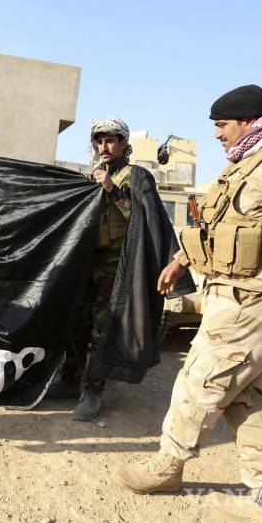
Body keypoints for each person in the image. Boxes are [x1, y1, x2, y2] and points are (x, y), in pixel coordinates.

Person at [117, 84, 262, 523]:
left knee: (198, 383)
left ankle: (169, 464)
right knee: (247, 399)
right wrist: (181, 260)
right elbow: (215, 226)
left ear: (246, 120)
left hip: (256, 302)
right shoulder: (248, 162)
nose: (218, 134)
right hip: (235, 296)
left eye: (222, 125)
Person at [49, 119, 190, 421]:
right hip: (89, 263)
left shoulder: (136, 176)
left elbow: (139, 218)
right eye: (99, 141)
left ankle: (93, 389)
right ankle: (69, 379)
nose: (104, 147)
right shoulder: (96, 175)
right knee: (78, 321)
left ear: (125, 144)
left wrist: (111, 189)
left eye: (111, 141)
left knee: (102, 329)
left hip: (118, 268)